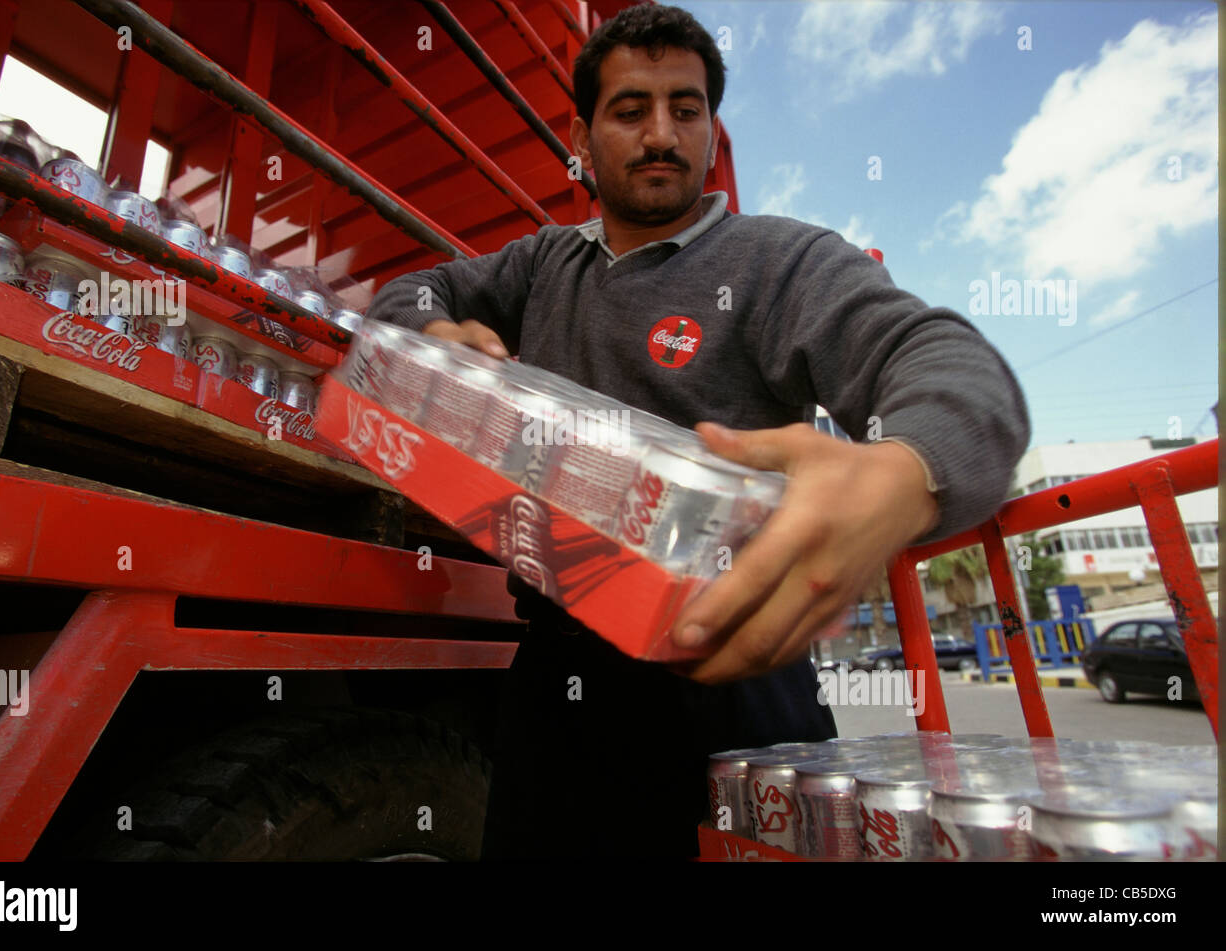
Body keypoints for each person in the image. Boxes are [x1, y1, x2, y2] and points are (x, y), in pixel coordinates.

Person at [364, 5, 1030, 858]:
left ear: (713, 133)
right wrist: (428, 336)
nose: (660, 134)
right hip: (560, 673)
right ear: (581, 132)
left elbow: (949, 364)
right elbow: (410, 292)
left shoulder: (779, 261)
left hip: (741, 671)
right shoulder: (541, 264)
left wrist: (907, 470)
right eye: (630, 110)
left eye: (686, 109)